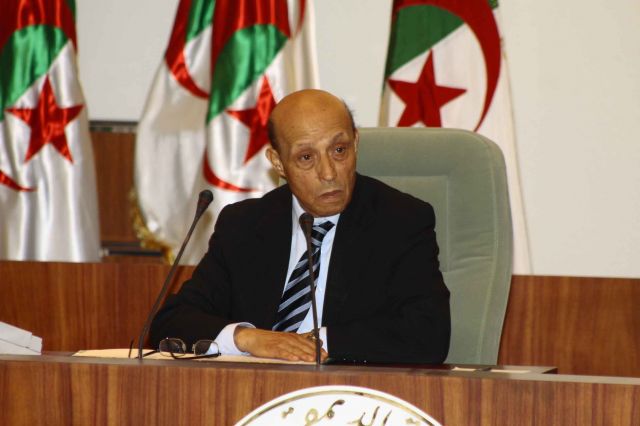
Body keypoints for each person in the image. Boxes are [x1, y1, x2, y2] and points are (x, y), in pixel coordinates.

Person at [149, 89, 450, 364]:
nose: (328, 172)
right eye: (306, 157)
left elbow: (428, 333)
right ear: (278, 163)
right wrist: (250, 339)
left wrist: (318, 342)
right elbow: (171, 322)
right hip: (251, 390)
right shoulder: (244, 225)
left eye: (339, 150)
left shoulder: (400, 221)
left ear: (355, 143)